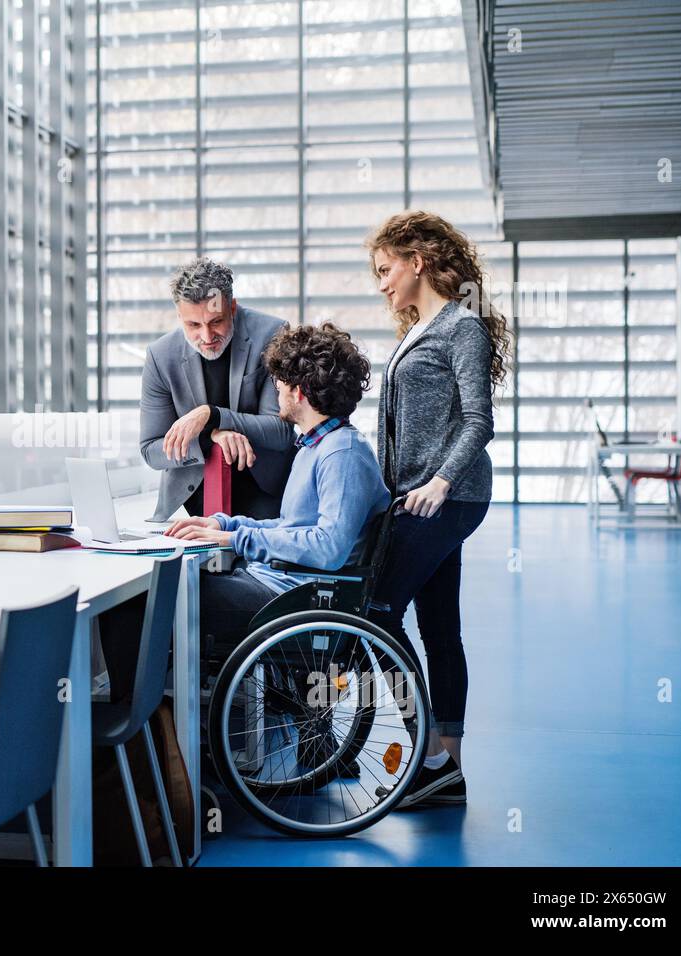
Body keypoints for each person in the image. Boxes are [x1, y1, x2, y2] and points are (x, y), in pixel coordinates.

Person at [364, 210, 511, 809]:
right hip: (415, 497)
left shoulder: (461, 327)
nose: (381, 283)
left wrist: (441, 483)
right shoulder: (416, 327)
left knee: (377, 612)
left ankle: (425, 756)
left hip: (447, 499)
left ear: (416, 261)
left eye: (384, 269)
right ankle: (447, 769)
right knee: (439, 627)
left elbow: (480, 420)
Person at [167, 322, 390, 662]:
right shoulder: (316, 446)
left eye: (279, 383)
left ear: (298, 391)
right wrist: (226, 526)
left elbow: (328, 548)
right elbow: (293, 528)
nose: (276, 392)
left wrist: (236, 541)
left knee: (169, 596)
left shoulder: (342, 454)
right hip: (280, 587)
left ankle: (158, 710)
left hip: (294, 599)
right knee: (178, 588)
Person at [139, 257, 297, 522]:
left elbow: (280, 432)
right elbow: (151, 451)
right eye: (193, 325)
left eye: (216, 321)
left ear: (232, 308)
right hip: (194, 497)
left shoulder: (271, 334)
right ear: (179, 316)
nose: (207, 336)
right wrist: (211, 436)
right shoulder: (160, 356)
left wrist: (212, 415)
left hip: (267, 492)